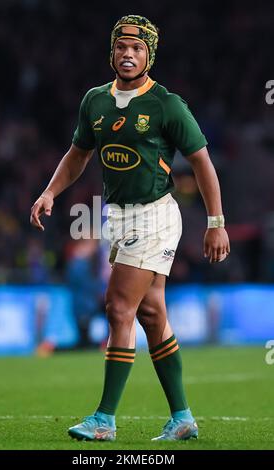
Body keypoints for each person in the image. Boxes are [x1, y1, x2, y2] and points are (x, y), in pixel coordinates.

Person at [30, 14, 230, 441]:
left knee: (119, 307)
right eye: (122, 47)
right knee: (152, 313)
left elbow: (202, 164)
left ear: (149, 55)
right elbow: (78, 154)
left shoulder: (166, 104)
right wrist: (50, 192)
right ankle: (182, 418)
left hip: (154, 215)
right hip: (116, 215)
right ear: (112, 51)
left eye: (137, 49)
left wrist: (216, 223)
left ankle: (104, 419)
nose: (128, 54)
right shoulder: (95, 101)